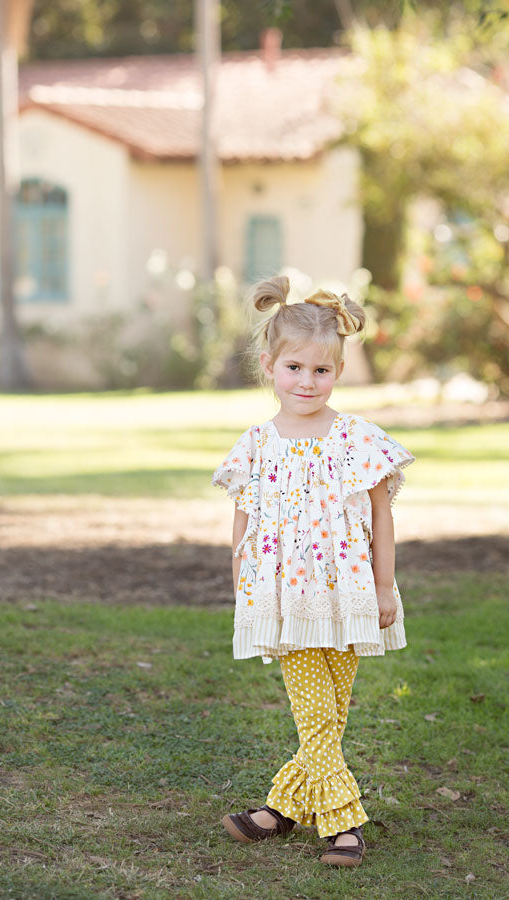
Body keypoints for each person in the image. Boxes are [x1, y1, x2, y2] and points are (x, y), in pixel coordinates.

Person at [212, 275, 415, 867]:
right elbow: (242, 531)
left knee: (332, 714)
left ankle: (278, 810)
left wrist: (382, 589)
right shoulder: (256, 445)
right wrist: (246, 597)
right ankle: (345, 822)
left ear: (340, 370)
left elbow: (382, 518)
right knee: (317, 714)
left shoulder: (358, 440)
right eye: (294, 368)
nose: (307, 381)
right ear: (269, 364)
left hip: (348, 596)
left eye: (320, 371)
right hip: (287, 599)